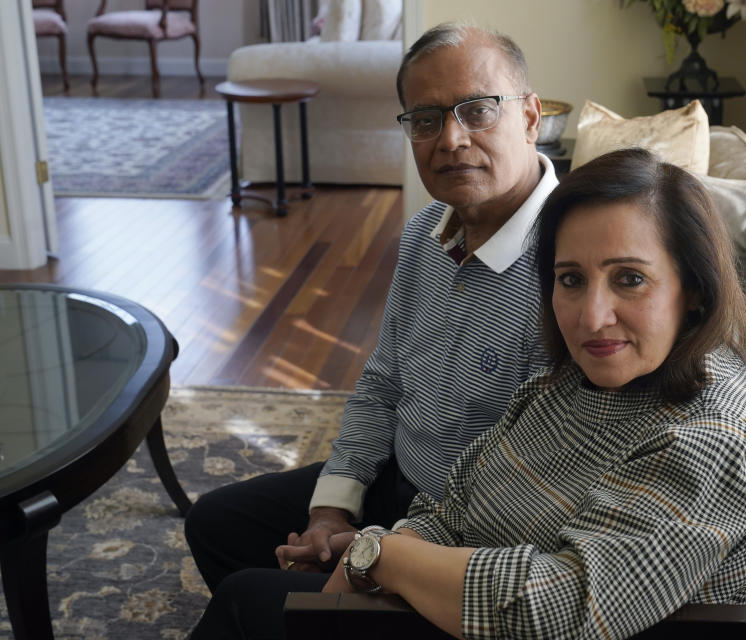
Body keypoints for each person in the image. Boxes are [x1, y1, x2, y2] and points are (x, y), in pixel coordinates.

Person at [191, 147, 746, 639]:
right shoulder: (580, 378)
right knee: (231, 544)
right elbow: (458, 496)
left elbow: (564, 604)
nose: (593, 315)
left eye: (630, 278)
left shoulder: (713, 438)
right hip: (464, 591)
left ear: (696, 290)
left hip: (519, 625)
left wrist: (385, 558)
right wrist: (378, 554)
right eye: (570, 280)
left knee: (248, 602)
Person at [185, 20, 559, 621]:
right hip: (397, 479)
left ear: (531, 116)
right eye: (426, 119)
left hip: (465, 537)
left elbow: (528, 489)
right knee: (214, 524)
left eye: (477, 110)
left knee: (241, 603)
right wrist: (331, 512)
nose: (452, 140)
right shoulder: (421, 235)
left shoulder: (572, 268)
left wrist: (370, 556)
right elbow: (383, 384)